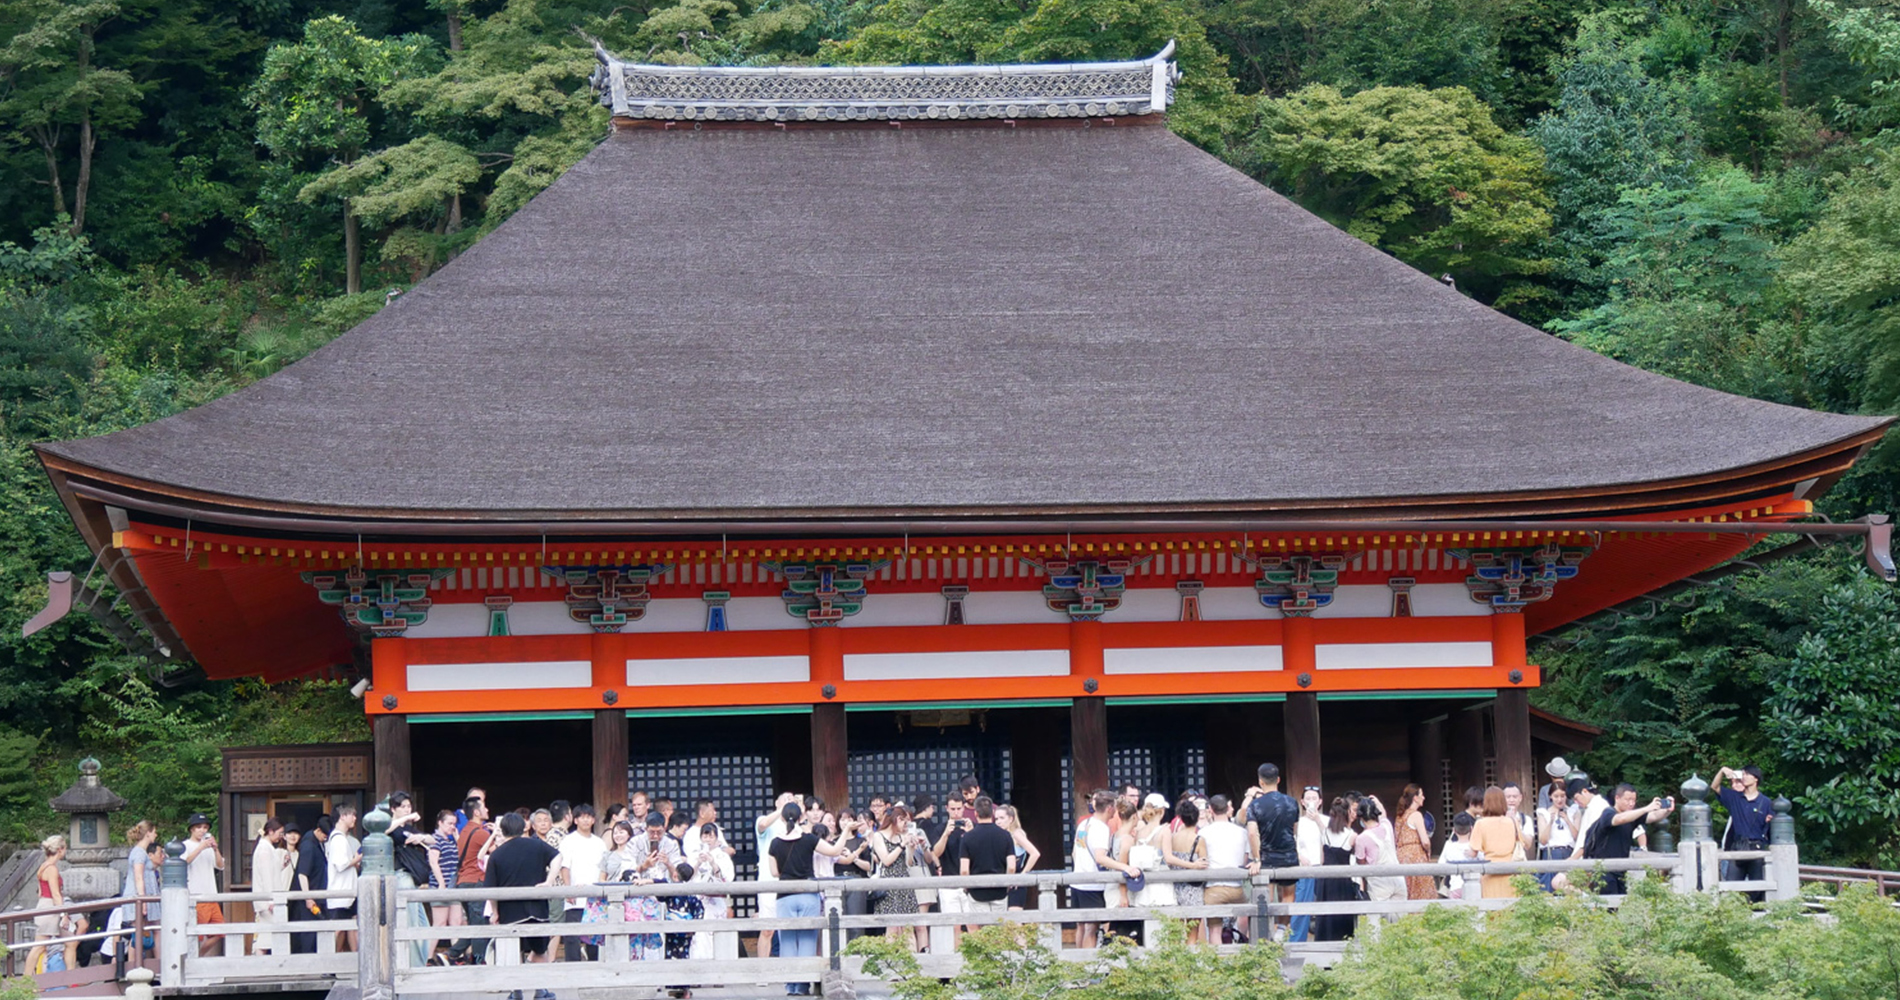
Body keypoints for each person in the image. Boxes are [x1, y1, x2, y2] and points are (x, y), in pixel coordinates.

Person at [767, 801, 848, 996]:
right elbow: (835, 851)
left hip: (785, 896)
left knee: (786, 941)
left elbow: (774, 872)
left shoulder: (775, 842)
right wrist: (845, 831)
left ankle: (791, 985)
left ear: (783, 818)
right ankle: (803, 985)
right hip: (807, 894)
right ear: (801, 817)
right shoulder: (809, 839)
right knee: (807, 940)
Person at [482, 812, 560, 1000]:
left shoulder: (497, 854)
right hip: (537, 908)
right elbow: (558, 857)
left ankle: (517, 992)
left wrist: (495, 912)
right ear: (523, 827)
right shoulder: (537, 845)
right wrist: (549, 881)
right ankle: (540, 990)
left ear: (503, 830)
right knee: (540, 950)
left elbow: (491, 890)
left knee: (513, 953)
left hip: (510, 912)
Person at [1580, 784, 1674, 895]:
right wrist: (1646, 808)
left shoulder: (1633, 817)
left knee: (1621, 904)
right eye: (1628, 800)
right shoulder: (1608, 813)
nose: (1631, 803)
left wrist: (1667, 810)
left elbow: (1653, 816)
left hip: (1621, 869)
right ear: (1617, 798)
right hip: (1604, 870)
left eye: (1633, 800)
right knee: (1608, 905)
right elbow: (1620, 819)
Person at [1071, 789, 1135, 949]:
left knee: (1080, 926)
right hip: (1092, 884)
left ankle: (1077, 960)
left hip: (1077, 880)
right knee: (1091, 928)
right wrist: (1124, 867)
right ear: (1109, 808)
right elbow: (1101, 857)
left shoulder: (1084, 824)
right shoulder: (1101, 828)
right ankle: (1088, 964)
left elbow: (1074, 852)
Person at [1244, 763, 1300, 941]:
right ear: (1278, 780)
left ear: (1260, 782)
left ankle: (1265, 931)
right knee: (1288, 894)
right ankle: (1282, 929)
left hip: (1267, 857)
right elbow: (1294, 829)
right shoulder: (1292, 802)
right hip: (1289, 855)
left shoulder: (1255, 805)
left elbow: (1252, 833)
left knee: (1265, 895)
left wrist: (1256, 858)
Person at [1200, 794, 1257, 942]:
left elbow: (1201, 860)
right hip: (1236, 886)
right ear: (1228, 809)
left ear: (1210, 810)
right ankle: (1243, 948)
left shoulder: (1203, 833)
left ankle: (1218, 962)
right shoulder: (1241, 832)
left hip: (1213, 887)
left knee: (1214, 930)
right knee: (1245, 919)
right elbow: (1245, 859)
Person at [866, 804, 923, 951]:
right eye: (904, 822)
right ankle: (891, 967)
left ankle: (911, 965)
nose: (906, 826)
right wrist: (902, 845)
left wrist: (911, 848)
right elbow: (886, 860)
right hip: (889, 885)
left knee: (908, 928)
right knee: (892, 928)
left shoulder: (901, 836)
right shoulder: (879, 836)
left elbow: (909, 863)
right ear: (896, 820)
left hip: (904, 883)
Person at [1715, 764, 1774, 903]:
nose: (1744, 777)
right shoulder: (1735, 798)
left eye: (1747, 774)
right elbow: (1715, 787)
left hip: (1757, 849)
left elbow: (1771, 832)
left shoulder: (1766, 802)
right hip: (1737, 848)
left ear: (1756, 779)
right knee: (1731, 888)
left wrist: (1771, 821)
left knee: (1757, 890)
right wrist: (1722, 770)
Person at [446, 796, 494, 964]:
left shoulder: (465, 830)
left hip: (463, 881)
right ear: (476, 812)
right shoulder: (481, 833)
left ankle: (452, 953)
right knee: (480, 925)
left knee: (477, 924)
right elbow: (495, 852)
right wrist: (496, 833)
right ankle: (478, 961)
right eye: (484, 807)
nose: (487, 810)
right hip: (476, 881)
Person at [557, 804, 607, 962]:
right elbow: (565, 866)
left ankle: (594, 968)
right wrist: (568, 889)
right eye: (582, 817)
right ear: (576, 820)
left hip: (594, 895)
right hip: (576, 895)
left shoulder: (599, 842)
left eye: (589, 817)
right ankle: (573, 968)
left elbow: (603, 868)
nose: (586, 820)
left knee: (594, 936)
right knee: (573, 936)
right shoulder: (569, 841)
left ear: (593, 820)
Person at [958, 796, 1016, 921]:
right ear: (993, 812)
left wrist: (966, 886)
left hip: (977, 891)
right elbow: (1011, 866)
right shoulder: (1005, 835)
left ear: (976, 813)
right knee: (999, 930)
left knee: (983, 931)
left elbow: (964, 870)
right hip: (999, 889)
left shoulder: (967, 837)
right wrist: (1007, 883)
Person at [754, 792, 795, 960]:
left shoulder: (795, 825)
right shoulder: (766, 819)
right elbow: (762, 825)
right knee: (768, 928)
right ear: (776, 802)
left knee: (790, 928)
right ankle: (762, 969)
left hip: (790, 880)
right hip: (768, 881)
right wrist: (783, 809)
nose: (788, 801)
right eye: (785, 798)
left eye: (791, 799)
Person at [1163, 798, 1209, 943]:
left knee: (1175, 929)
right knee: (1192, 929)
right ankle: (1189, 962)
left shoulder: (1173, 838)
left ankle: (1173, 961)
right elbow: (1204, 862)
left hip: (1175, 886)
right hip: (1193, 888)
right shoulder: (1199, 839)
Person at [1312, 798, 1358, 942]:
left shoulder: (1324, 833)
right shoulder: (1352, 835)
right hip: (1343, 881)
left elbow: (1321, 860)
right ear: (1347, 813)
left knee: (1325, 916)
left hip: (1325, 881)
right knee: (1343, 916)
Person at [689, 822, 737, 958]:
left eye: (711, 836)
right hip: (699, 902)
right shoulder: (695, 856)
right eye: (705, 836)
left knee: (715, 936)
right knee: (699, 938)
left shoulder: (722, 857)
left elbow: (727, 879)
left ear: (717, 839)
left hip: (716, 901)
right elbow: (688, 877)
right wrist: (698, 862)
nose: (708, 840)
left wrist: (712, 862)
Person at [1352, 795, 1404, 917]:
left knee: (1379, 919)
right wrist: (1378, 802)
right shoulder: (1387, 825)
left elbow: (1361, 862)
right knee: (1401, 918)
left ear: (1361, 817)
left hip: (1378, 881)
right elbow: (1383, 815)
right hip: (1397, 876)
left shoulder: (1361, 838)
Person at [184, 814, 227, 956]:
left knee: (219, 931)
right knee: (197, 934)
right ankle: (193, 957)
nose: (202, 830)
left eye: (205, 827)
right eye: (198, 827)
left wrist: (215, 849)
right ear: (191, 829)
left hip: (211, 895)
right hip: (196, 896)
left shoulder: (209, 847)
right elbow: (184, 862)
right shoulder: (185, 845)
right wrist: (200, 848)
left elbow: (220, 866)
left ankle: (198, 954)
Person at [1468, 786, 1520, 899]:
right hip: (1510, 869)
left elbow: (1473, 853)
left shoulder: (1481, 824)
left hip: (1490, 870)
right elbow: (1522, 843)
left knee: (1491, 909)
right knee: (1510, 908)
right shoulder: (1512, 822)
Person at [27, 834, 68, 975]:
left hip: (44, 904)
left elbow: (39, 892)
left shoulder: (43, 866)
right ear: (60, 850)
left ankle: (61, 976)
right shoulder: (52, 869)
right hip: (50, 907)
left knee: (70, 941)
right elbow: (56, 894)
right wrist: (64, 914)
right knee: (39, 947)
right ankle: (27, 981)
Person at [1287, 788, 1324, 942]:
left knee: (1324, 905)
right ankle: (1296, 940)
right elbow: (1290, 842)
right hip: (1304, 868)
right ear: (1302, 802)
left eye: (1314, 798)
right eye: (1307, 798)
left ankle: (1323, 939)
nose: (1311, 801)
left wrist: (1317, 820)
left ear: (1320, 801)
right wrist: (1299, 856)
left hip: (1323, 868)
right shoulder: (1297, 822)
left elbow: (1330, 838)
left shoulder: (1326, 820)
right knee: (1302, 903)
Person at [251, 818, 292, 955]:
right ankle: (261, 964)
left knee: (266, 936)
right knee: (266, 936)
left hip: (268, 898)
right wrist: (270, 899)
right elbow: (266, 876)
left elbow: (270, 872)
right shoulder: (264, 849)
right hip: (267, 900)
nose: (281, 836)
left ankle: (262, 964)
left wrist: (282, 866)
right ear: (270, 831)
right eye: (279, 833)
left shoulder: (267, 848)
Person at [290, 815, 330, 954]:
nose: (326, 838)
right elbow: (302, 874)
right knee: (308, 934)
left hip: (317, 893)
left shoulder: (316, 843)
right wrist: (308, 897)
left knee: (314, 932)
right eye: (325, 835)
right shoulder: (308, 845)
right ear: (318, 830)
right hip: (310, 896)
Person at [327, 805, 362, 953]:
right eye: (352, 815)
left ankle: (353, 959)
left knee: (350, 926)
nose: (354, 818)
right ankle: (329, 961)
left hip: (347, 891)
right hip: (341, 892)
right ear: (342, 816)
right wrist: (356, 859)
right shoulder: (338, 839)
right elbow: (341, 865)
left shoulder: (340, 838)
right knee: (339, 929)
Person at [994, 805, 1041, 912]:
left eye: (1002, 818)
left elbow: (1035, 853)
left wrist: (1023, 875)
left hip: (1016, 882)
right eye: (996, 819)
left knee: (1014, 918)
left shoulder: (1016, 834)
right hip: (1004, 880)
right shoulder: (1002, 835)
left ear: (1010, 819)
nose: (998, 822)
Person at [1392, 784, 1434, 900]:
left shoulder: (1400, 816)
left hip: (1401, 855)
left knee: (1406, 891)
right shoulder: (1416, 815)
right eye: (1421, 795)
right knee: (1420, 892)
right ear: (1415, 798)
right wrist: (1428, 851)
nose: (1424, 797)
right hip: (1415, 855)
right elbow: (1425, 841)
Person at [1438, 812, 1478, 897]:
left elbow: (1441, 865)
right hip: (1475, 887)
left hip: (1455, 887)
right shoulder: (1476, 846)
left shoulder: (1449, 845)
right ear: (1471, 829)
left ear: (1454, 830)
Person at [1503, 783, 1537, 857]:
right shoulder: (1497, 818)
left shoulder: (1526, 819)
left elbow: (1528, 845)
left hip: (1518, 858)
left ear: (1520, 798)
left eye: (1515, 797)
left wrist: (1517, 826)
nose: (1511, 800)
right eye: (1508, 797)